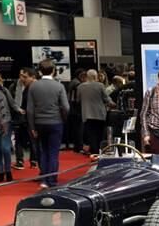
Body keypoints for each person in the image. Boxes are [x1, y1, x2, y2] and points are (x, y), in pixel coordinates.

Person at [27, 59, 69, 188]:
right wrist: (63, 119)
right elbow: (66, 107)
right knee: (53, 152)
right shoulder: (59, 86)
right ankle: (52, 180)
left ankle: (44, 179)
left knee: (43, 151)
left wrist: (32, 127)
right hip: (55, 122)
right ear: (54, 71)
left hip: (39, 123)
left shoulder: (33, 86)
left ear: (39, 71)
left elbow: (30, 109)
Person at [77, 68, 113, 155]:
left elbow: (78, 100)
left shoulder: (80, 87)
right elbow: (106, 98)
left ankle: (94, 151)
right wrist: (112, 103)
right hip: (99, 114)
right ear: (95, 76)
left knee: (91, 134)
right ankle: (99, 151)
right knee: (99, 134)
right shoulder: (100, 85)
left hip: (87, 114)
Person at [13, 68, 38, 170]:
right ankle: (19, 161)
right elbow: (13, 100)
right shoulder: (15, 85)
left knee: (33, 140)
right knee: (18, 139)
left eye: (24, 76)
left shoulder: (35, 87)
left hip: (32, 118)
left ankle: (34, 160)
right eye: (20, 75)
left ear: (32, 77)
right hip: (19, 116)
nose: (22, 78)